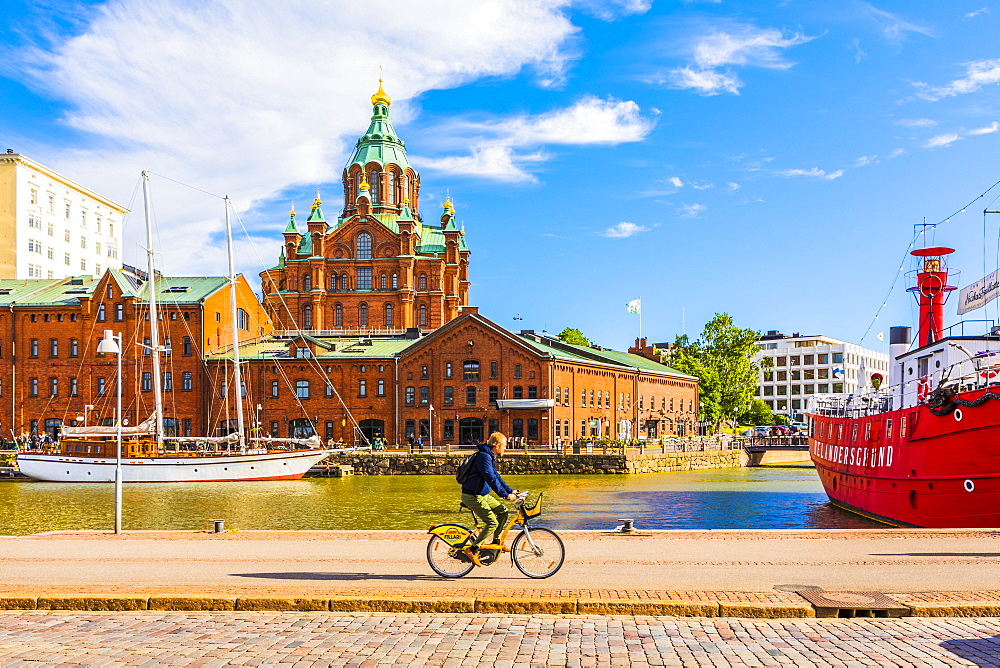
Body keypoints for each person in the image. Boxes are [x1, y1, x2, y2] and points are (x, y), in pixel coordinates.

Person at [459, 432, 517, 566]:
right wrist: (505, 495)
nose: (505, 448)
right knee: (492, 523)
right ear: (496, 446)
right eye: (504, 446)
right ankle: (472, 549)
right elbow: (490, 478)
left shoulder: (490, 456)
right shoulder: (483, 457)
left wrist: (510, 490)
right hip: (472, 496)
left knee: (503, 511)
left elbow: (496, 476)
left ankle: (496, 542)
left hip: (482, 495)